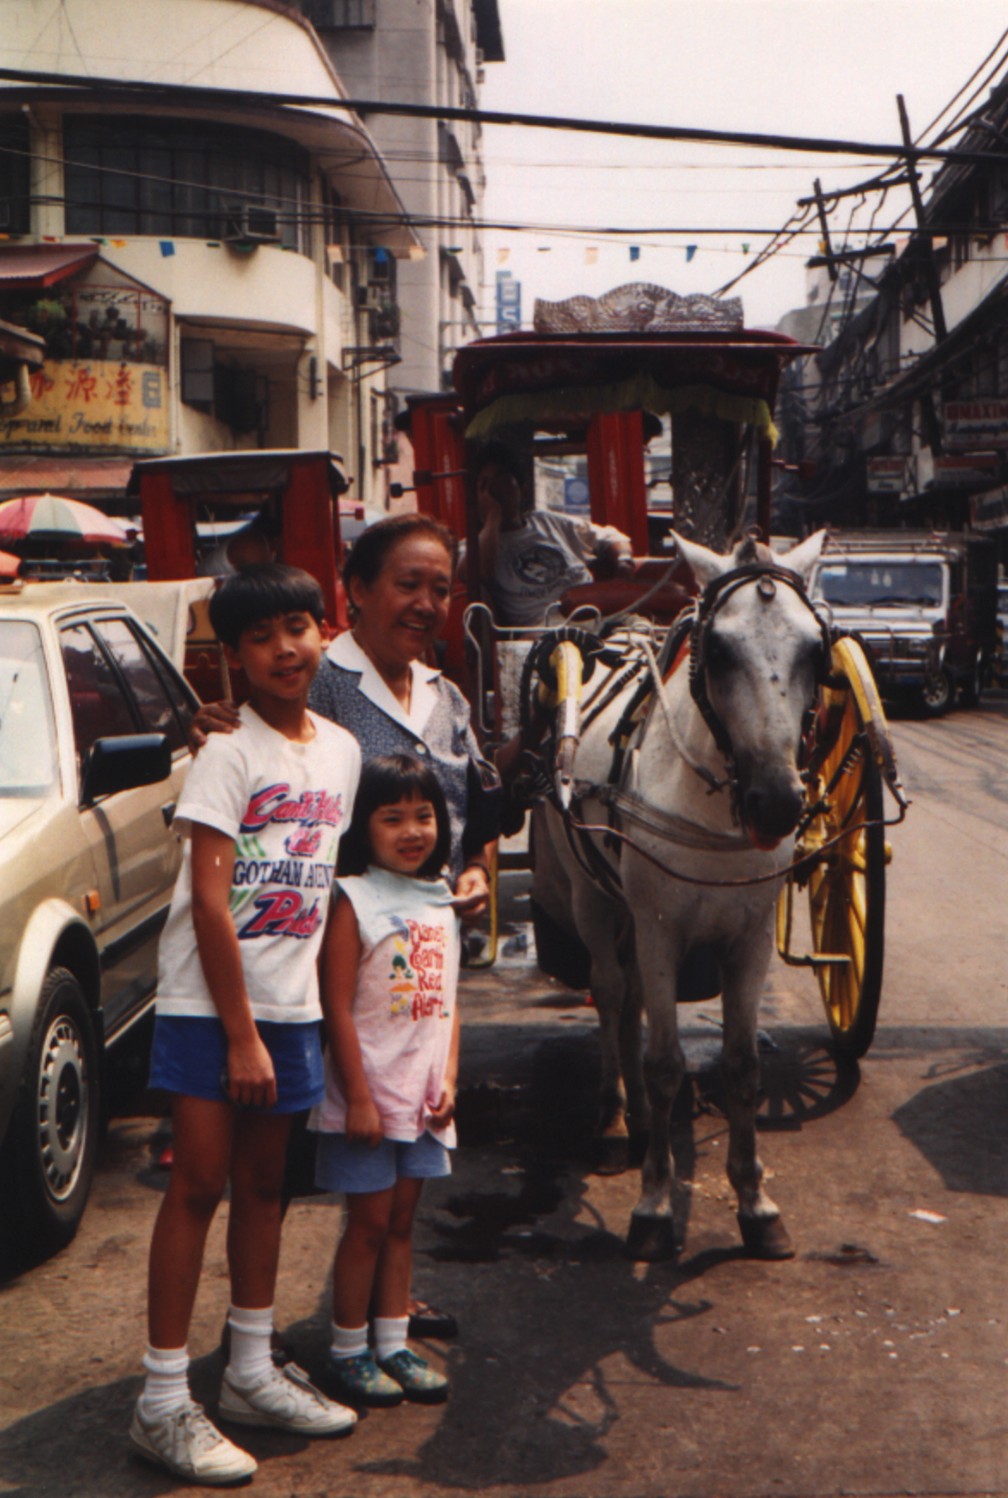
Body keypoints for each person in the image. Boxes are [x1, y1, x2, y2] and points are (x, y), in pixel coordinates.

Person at [190, 512, 501, 1339]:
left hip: (414, 971)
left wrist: (474, 870)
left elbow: (475, 814)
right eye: (407, 584)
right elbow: (247, 747)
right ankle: (252, 1332)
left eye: (440, 588)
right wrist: (202, 724)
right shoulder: (320, 681)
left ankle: (380, 1305)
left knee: (404, 1134)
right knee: (285, 1163)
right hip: (316, 965)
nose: (426, 603)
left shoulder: (448, 697)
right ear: (354, 593)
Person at [131, 564, 361, 1487]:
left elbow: (324, 882)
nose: (285, 649)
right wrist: (237, 1034)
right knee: (198, 1188)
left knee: (268, 1189)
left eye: (299, 628)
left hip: (293, 1006)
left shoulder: (341, 750)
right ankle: (159, 1402)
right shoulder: (224, 754)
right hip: (209, 1009)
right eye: (261, 638)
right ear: (231, 659)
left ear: (321, 631)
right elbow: (212, 903)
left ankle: (252, 1372)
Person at [313, 753, 464, 1407]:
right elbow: (336, 1008)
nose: (411, 830)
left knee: (402, 1226)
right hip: (368, 1101)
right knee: (367, 1226)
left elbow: (451, 1005)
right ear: (362, 828)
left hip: (424, 1102)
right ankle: (348, 1352)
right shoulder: (355, 899)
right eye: (392, 817)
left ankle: (394, 1343)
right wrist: (360, 1099)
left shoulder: (441, 898)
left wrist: (451, 1077)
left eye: (423, 815)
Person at [463, 441, 635, 626]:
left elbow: (612, 537)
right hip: (547, 628)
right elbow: (475, 574)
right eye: (484, 484)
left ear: (523, 489)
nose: (493, 491)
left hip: (597, 610)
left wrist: (623, 566)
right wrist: (492, 517)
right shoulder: (473, 545)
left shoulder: (548, 522)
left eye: (502, 480)